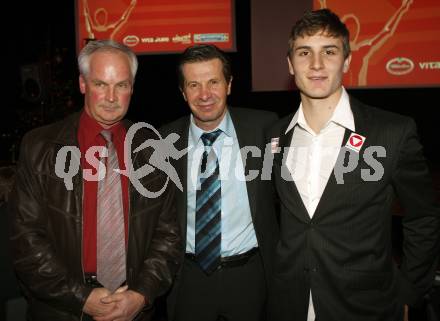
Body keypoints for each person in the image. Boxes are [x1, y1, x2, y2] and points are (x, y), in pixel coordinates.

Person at [267, 9, 440, 321]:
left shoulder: (392, 132)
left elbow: (424, 218)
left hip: (367, 307)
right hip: (288, 304)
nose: (316, 64)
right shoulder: (274, 136)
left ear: (346, 61)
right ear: (290, 64)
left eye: (329, 52)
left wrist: (409, 291)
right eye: (305, 53)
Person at [8, 39, 181, 321]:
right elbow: (25, 241)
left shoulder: (154, 149)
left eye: (122, 85)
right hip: (61, 309)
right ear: (83, 84)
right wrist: (80, 298)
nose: (112, 97)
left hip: (133, 309)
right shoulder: (40, 148)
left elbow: (168, 235)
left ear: (132, 89)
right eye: (101, 84)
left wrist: (140, 295)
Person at [161, 44, 279, 321]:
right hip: (188, 278)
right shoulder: (163, 141)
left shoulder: (263, 128)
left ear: (229, 85)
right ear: (182, 92)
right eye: (194, 84)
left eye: (213, 82)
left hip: (250, 276)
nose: (204, 95)